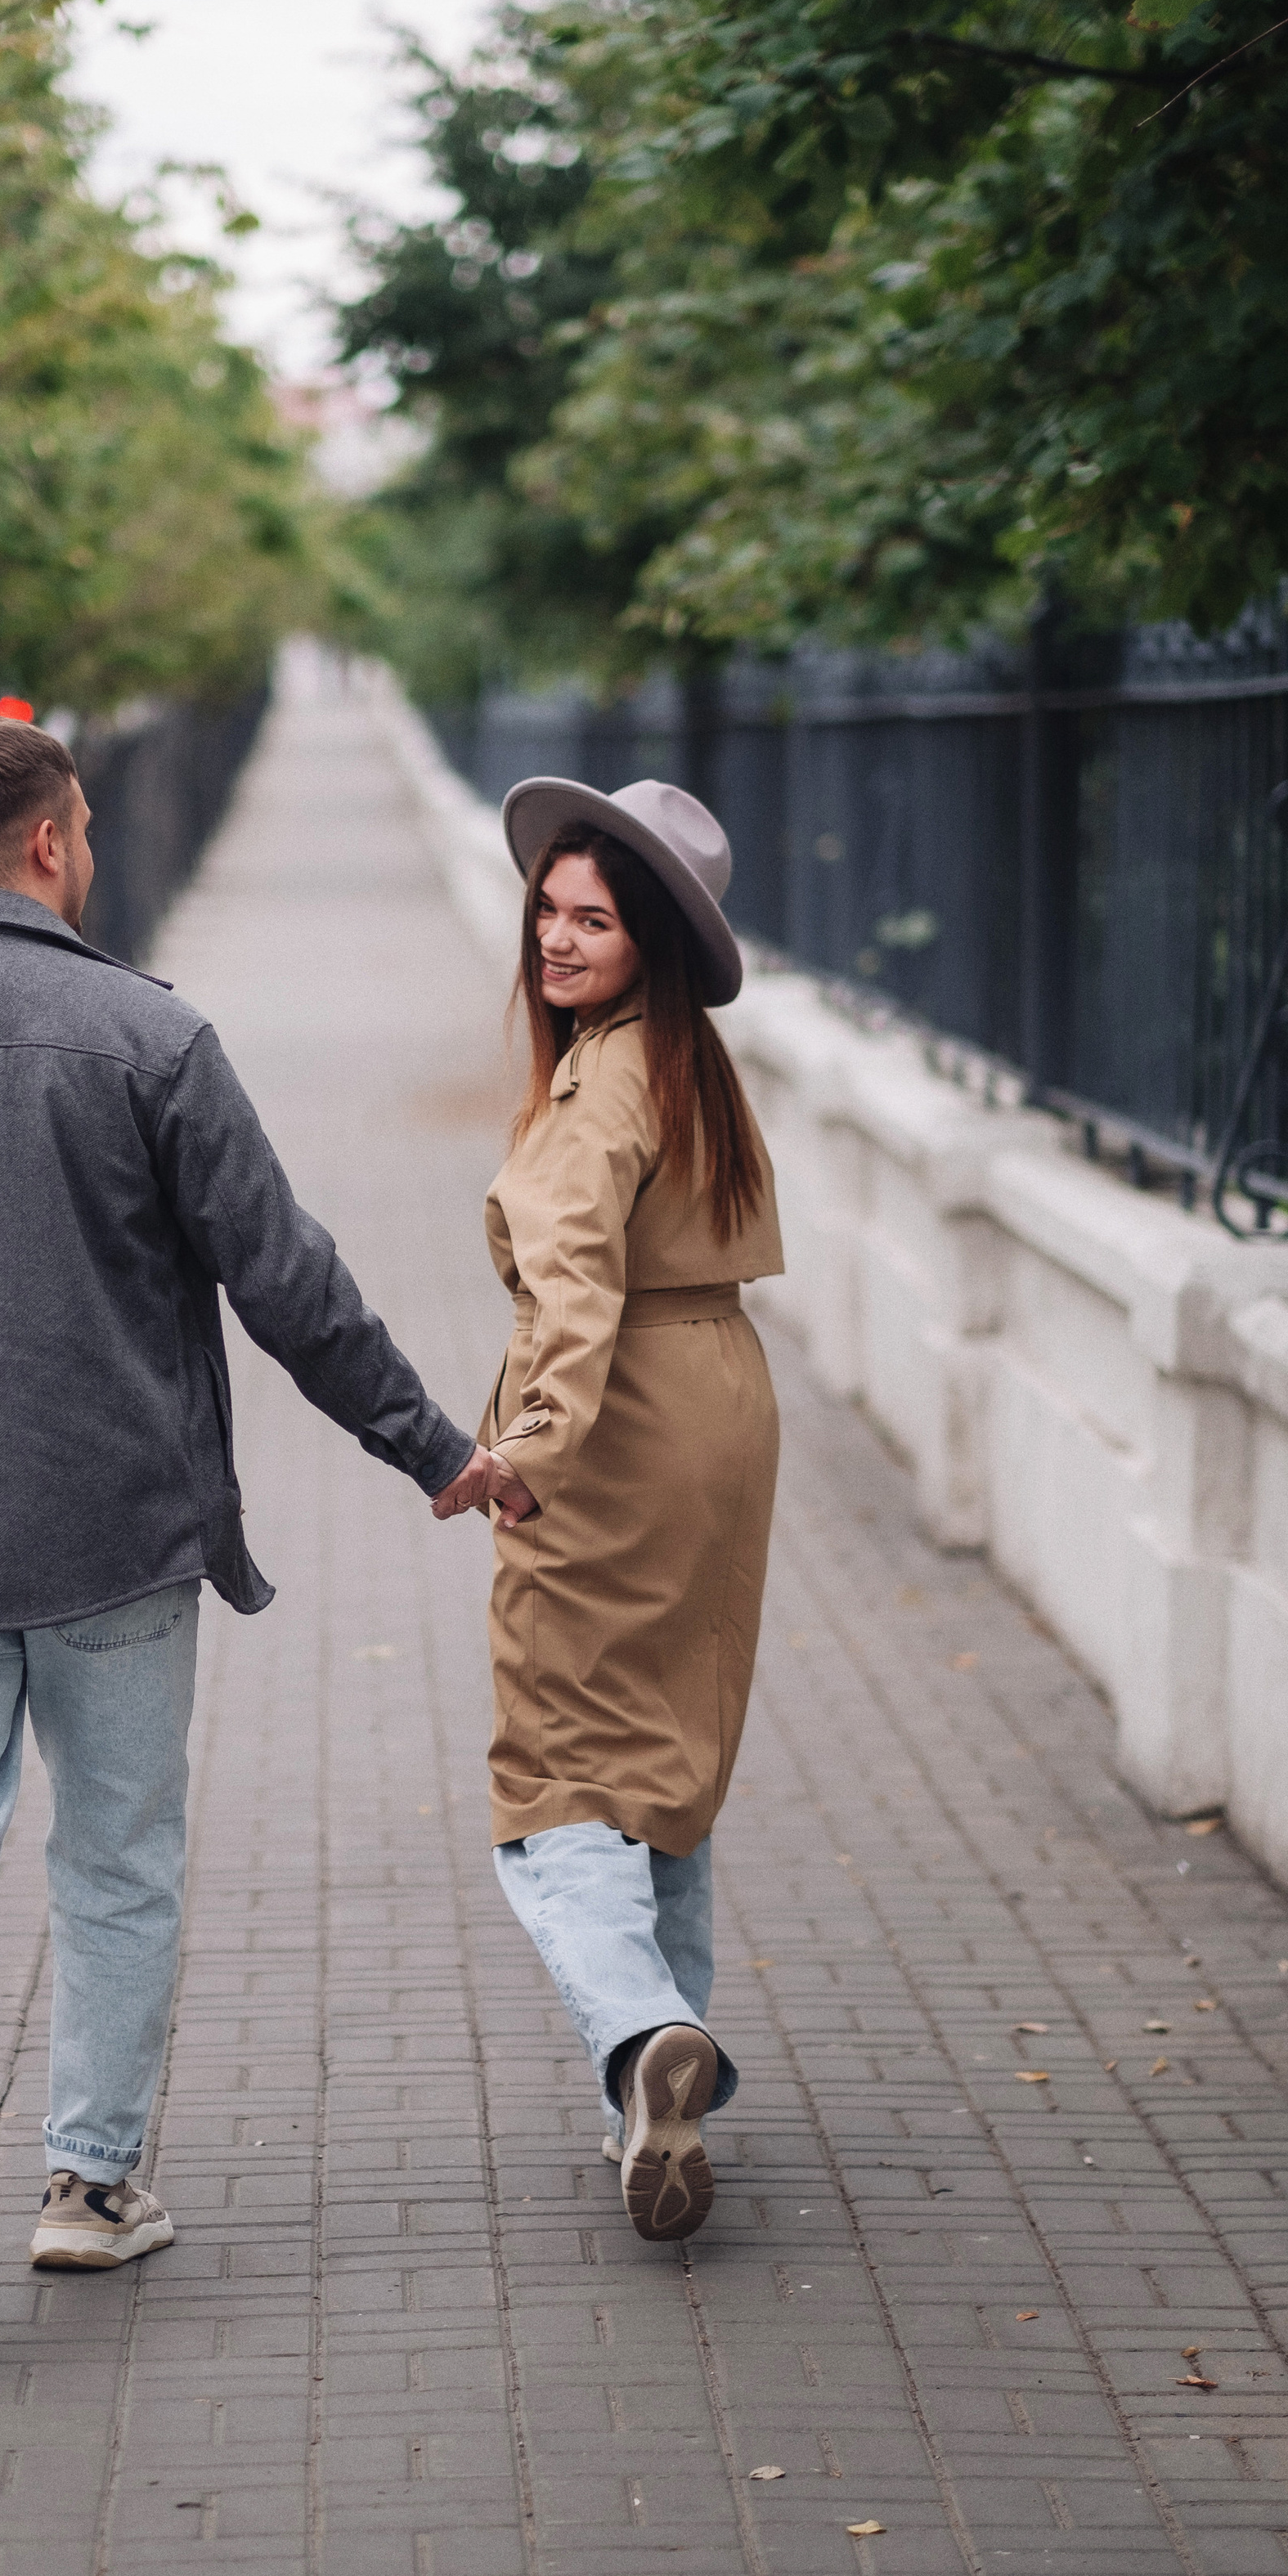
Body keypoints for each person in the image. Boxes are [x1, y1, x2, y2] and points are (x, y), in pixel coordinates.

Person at [0, 714, 497, 2365]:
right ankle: (87, 2189)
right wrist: (428, 1448)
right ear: (48, 846)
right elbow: (282, 1275)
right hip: (114, 1531)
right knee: (116, 1866)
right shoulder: (144, 1038)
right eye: (76, 825)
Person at [472, 774, 783, 2245]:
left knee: (555, 1772)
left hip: (621, 1423)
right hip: (722, 1396)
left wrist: (529, 1444)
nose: (557, 936)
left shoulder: (598, 1085)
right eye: (549, 908)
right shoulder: (685, 1060)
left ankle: (642, 2034)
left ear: (649, 935)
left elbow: (578, 1276)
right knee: (669, 1745)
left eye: (593, 917)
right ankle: (658, 2095)